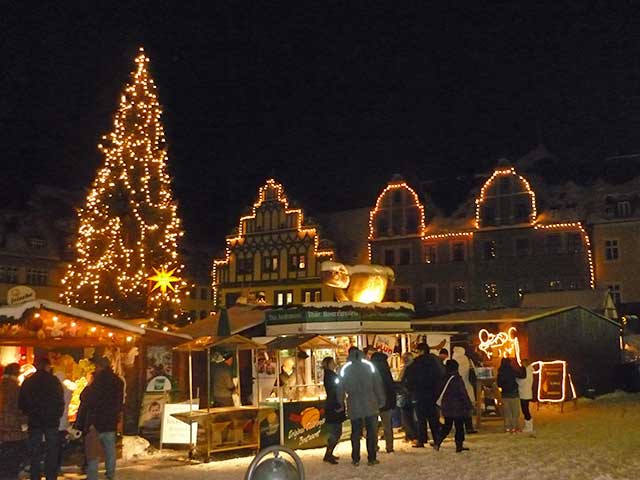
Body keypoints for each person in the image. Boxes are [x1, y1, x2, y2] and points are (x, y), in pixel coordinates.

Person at [75, 355, 124, 480]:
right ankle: (110, 474)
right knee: (110, 450)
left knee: (93, 451)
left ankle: (92, 476)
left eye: (96, 366)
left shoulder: (96, 381)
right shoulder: (118, 381)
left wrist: (88, 385)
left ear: (100, 367)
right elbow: (119, 402)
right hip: (110, 421)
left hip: (95, 421)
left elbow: (85, 398)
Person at [19, 357, 64, 480]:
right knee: (52, 451)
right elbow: (60, 399)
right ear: (47, 366)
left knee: (35, 451)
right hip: (51, 420)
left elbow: (22, 402)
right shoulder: (54, 381)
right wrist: (58, 414)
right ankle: (51, 476)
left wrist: (29, 412)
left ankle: (35, 475)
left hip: (35, 420)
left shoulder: (29, 381)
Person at [339, 347, 385, 467]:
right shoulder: (369, 366)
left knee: (355, 433)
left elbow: (340, 388)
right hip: (370, 403)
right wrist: (381, 400)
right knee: (371, 432)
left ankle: (355, 458)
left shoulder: (345, 369)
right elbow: (377, 384)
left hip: (354, 404)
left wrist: (340, 403)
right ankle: (372, 458)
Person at [404, 343, 442, 448]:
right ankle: (436, 439)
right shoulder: (434, 362)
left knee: (421, 418)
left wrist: (411, 389)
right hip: (432, 394)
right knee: (433, 418)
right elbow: (439, 377)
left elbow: (410, 379)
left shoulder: (416, 363)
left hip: (419, 394)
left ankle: (422, 439)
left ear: (421, 351)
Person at [435, 360, 472, 452]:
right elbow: (463, 393)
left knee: (447, 426)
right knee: (459, 427)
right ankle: (459, 445)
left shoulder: (443, 378)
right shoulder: (457, 379)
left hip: (447, 406)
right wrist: (468, 405)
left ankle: (438, 441)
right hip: (458, 407)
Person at [0, 363, 28, 479]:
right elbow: (22, 409)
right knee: (12, 462)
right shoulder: (17, 390)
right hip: (13, 431)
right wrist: (25, 424)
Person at [371, 351, 396, 453]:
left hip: (373, 402)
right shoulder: (386, 370)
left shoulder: (371, 370)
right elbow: (390, 387)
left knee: (373, 426)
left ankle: (374, 446)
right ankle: (389, 447)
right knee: (387, 426)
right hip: (386, 403)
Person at [322, 357, 345, 464]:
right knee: (335, 431)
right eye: (332, 362)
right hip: (334, 406)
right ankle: (328, 453)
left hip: (332, 405)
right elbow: (334, 391)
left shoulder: (328, 375)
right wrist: (338, 405)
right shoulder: (330, 376)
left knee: (335, 431)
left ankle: (329, 453)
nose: (334, 364)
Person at [451, 346, 478, 434]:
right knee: (467, 409)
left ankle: (459, 428)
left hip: (457, 389)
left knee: (457, 410)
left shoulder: (454, 361)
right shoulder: (467, 359)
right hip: (467, 387)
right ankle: (469, 427)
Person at [54, 371, 73, 474]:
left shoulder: (53, 390)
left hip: (54, 422)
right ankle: (58, 465)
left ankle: (53, 464)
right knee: (60, 445)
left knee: (53, 445)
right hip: (63, 422)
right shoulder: (67, 390)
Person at [497, 357, 522, 433]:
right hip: (514, 394)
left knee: (507, 413)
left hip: (505, 394)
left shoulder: (500, 372)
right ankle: (515, 427)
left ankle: (507, 427)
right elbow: (521, 375)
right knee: (515, 412)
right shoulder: (512, 371)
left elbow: (499, 384)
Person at [398, 352, 416, 443]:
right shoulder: (415, 368)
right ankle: (411, 435)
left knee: (407, 416)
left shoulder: (407, 369)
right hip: (412, 395)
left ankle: (411, 435)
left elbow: (402, 381)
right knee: (410, 416)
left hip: (407, 395)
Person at [517, 358, 534, 433]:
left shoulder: (527, 371)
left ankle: (529, 426)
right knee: (525, 409)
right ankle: (528, 425)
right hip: (526, 392)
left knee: (525, 410)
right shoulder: (530, 371)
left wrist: (517, 380)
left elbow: (523, 382)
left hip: (524, 393)